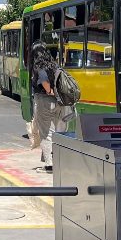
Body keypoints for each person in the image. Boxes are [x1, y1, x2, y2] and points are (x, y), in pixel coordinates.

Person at [30, 41, 70, 171]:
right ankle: (58, 160)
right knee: (58, 132)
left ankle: (49, 165)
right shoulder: (54, 64)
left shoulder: (39, 66)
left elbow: (44, 80)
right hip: (59, 102)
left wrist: (49, 91)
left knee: (46, 133)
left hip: (45, 102)